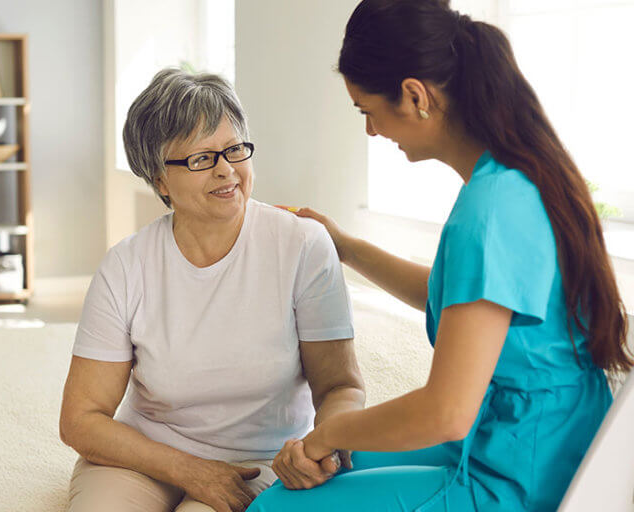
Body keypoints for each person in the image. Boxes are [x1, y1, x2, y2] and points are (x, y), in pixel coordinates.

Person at [249, 0, 633, 510]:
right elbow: (458, 297)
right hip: (527, 431)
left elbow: (446, 411)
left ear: (415, 95)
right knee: (330, 467)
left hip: (526, 470)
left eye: (367, 111)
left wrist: (327, 432)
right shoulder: (511, 177)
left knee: (277, 505)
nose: (371, 131)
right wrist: (346, 247)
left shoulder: (490, 211)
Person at [58, 68, 365, 512]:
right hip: (145, 455)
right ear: (160, 181)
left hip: (259, 461)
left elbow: (340, 386)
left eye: (234, 150)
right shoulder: (125, 265)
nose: (226, 170)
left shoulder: (302, 244)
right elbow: (81, 419)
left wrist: (322, 445)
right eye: (202, 158)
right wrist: (188, 469)